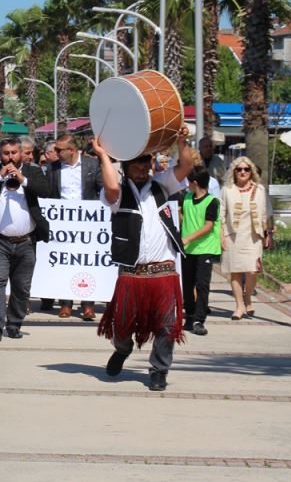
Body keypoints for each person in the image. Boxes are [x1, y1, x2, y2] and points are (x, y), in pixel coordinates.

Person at [93, 125, 193, 392]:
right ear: (125, 165)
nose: (141, 167)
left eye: (145, 161)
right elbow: (112, 188)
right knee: (122, 326)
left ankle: (159, 370)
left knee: (167, 325)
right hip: (131, 272)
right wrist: (103, 155)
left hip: (163, 271)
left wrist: (182, 142)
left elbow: (186, 166)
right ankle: (122, 350)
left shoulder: (162, 184)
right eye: (135, 162)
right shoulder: (116, 192)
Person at [0, 137, 50, 340]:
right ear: (0, 154)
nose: (10, 157)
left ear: (21, 153)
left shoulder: (32, 171)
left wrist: (23, 179)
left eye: (14, 153)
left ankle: (14, 323)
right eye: (6, 153)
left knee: (21, 286)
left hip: (26, 240)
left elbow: (47, 190)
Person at [44, 134, 104, 320]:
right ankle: (66, 304)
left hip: (87, 224)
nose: (56, 153)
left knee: (86, 262)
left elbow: (101, 188)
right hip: (62, 225)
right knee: (65, 262)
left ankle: (88, 305)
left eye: (60, 150)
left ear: (72, 150)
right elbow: (48, 194)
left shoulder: (92, 165)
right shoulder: (53, 169)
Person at [220, 157, 271, 320]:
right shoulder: (227, 190)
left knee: (252, 270)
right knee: (235, 272)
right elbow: (221, 215)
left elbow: (264, 214)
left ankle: (247, 296)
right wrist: (221, 236)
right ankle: (239, 305)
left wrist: (266, 234)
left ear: (251, 172)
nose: (243, 172)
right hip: (233, 236)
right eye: (239, 169)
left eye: (246, 169)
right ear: (234, 172)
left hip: (253, 236)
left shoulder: (260, 189)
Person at [180, 166, 221, 336]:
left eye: (188, 181)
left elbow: (208, 226)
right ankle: (189, 316)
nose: (186, 184)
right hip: (188, 250)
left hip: (206, 248)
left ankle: (199, 319)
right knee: (187, 286)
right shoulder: (186, 198)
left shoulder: (212, 201)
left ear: (194, 183)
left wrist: (188, 238)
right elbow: (184, 215)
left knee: (202, 285)